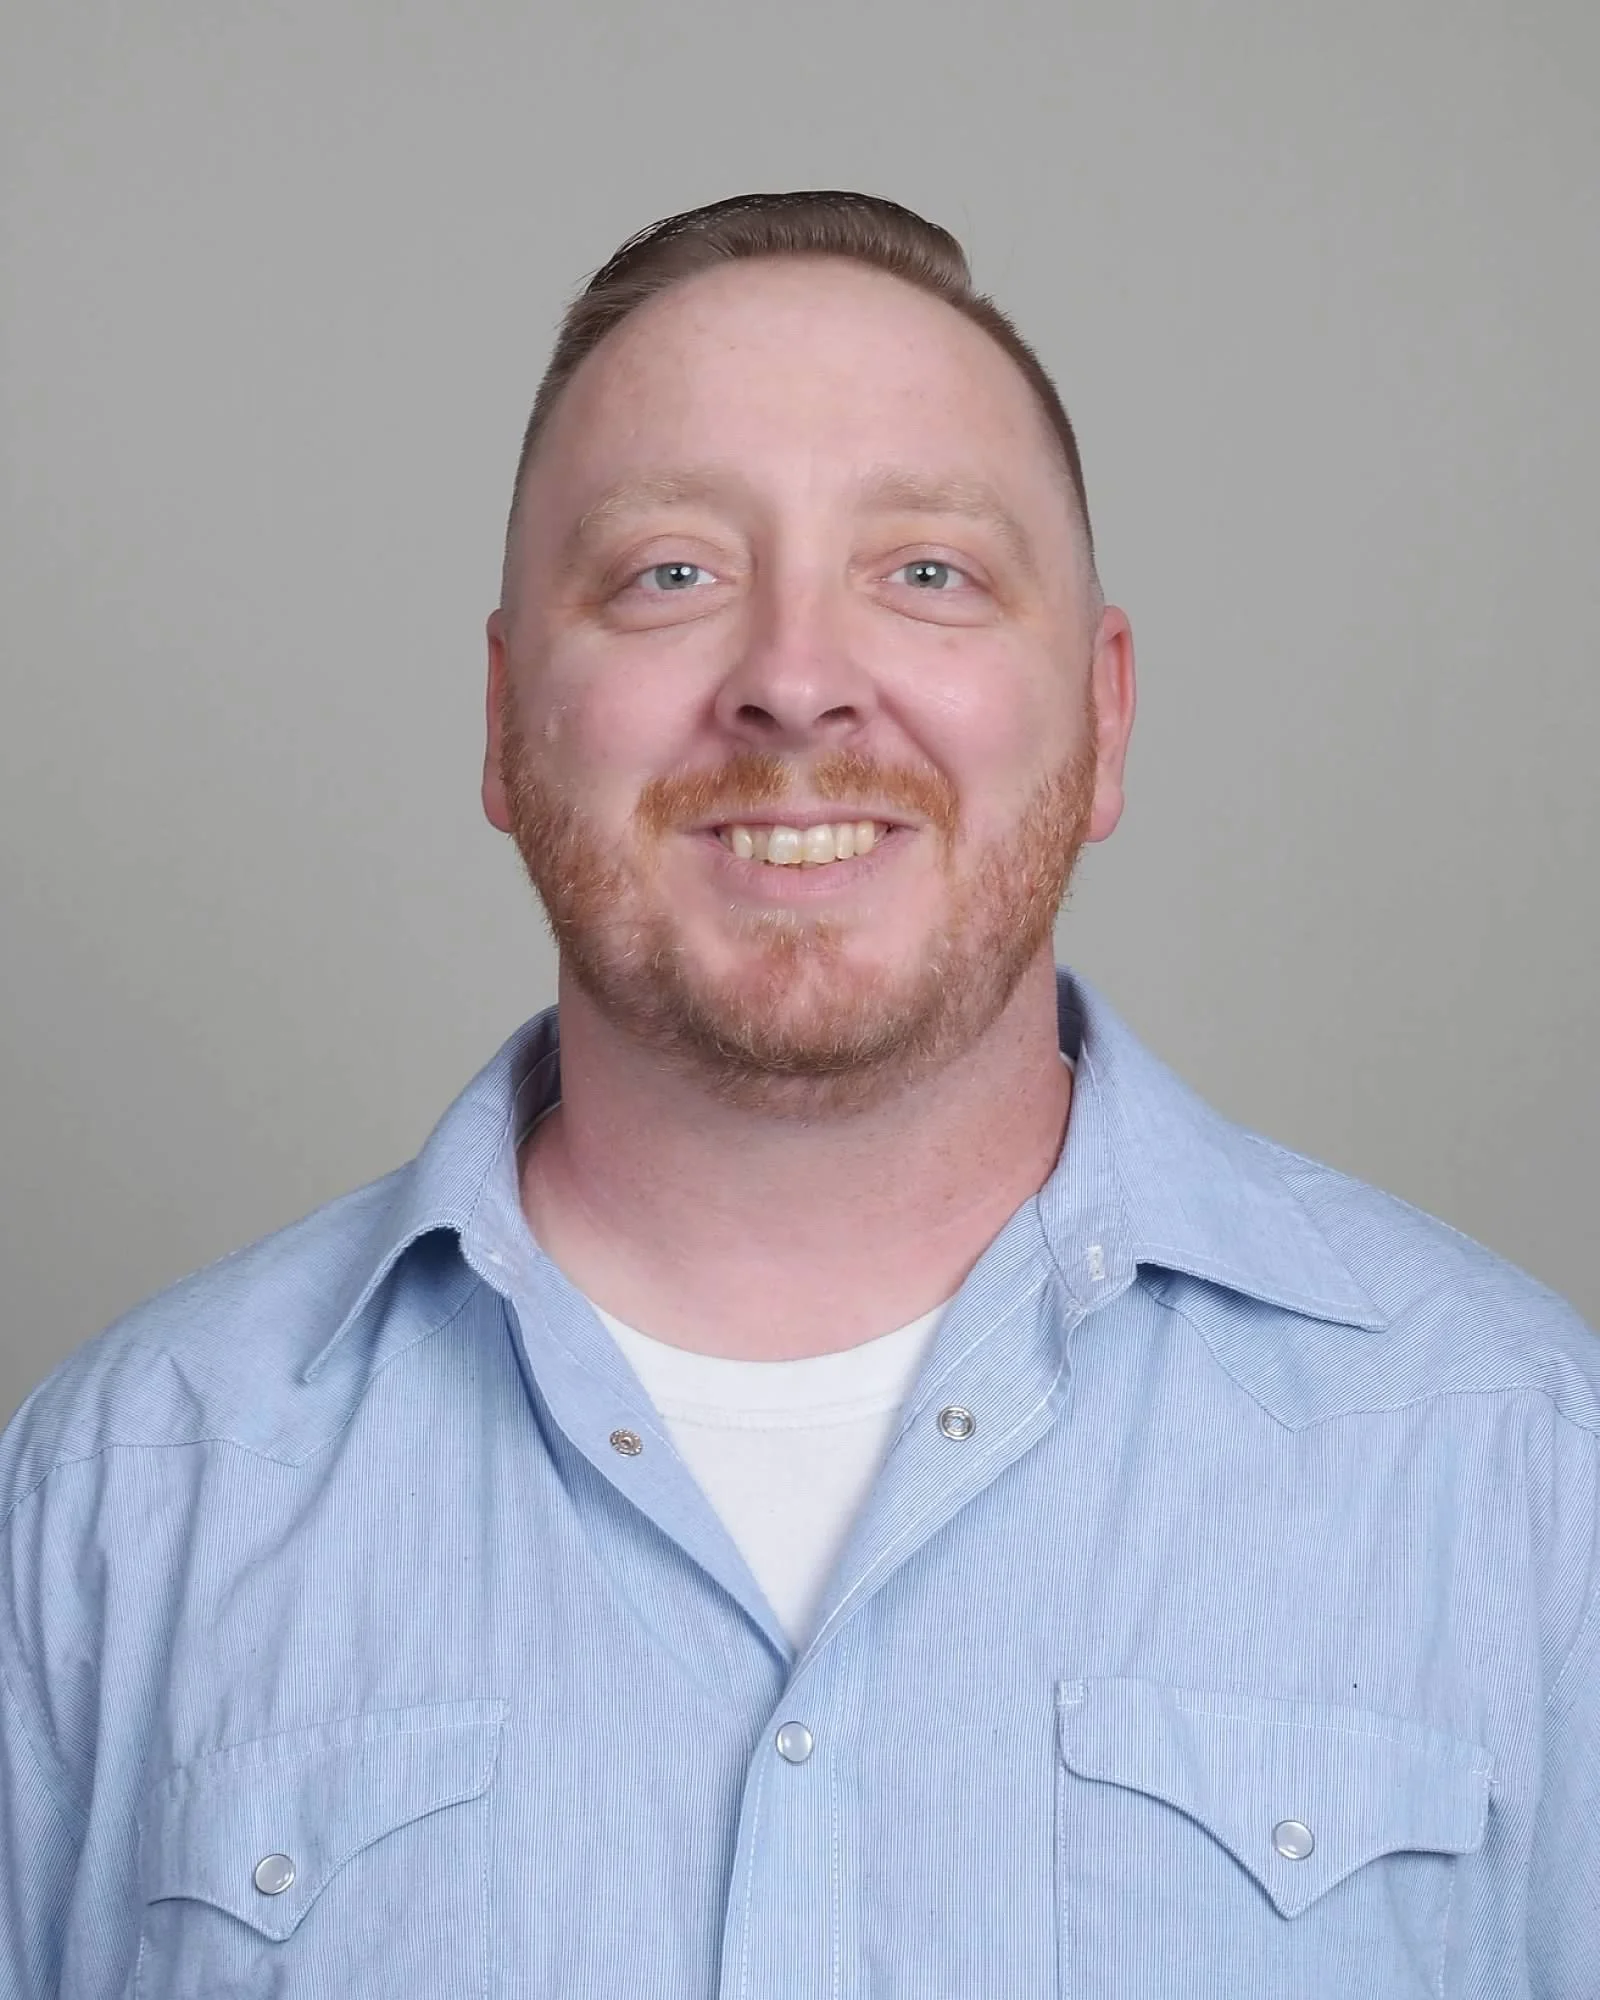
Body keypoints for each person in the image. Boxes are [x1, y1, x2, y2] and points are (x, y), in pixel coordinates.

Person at [1, 189, 1594, 1999]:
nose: (794, 683)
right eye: (671, 572)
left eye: (927, 571)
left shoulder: (1524, 1471)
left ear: (1105, 719)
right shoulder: (115, 1508)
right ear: (510, 724)